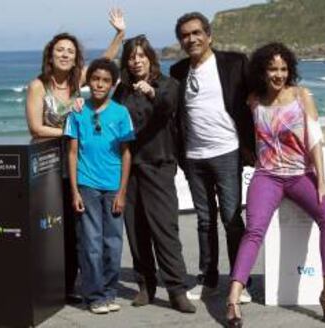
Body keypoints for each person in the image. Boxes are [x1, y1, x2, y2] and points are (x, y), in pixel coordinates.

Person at [226, 42, 325, 328]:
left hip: (300, 175)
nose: (278, 74)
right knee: (253, 230)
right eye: (272, 69)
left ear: (289, 70)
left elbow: (314, 140)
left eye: (283, 69)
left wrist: (323, 183)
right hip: (267, 176)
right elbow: (239, 125)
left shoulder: (302, 96)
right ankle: (232, 299)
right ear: (262, 72)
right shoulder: (254, 100)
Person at [25, 9, 126, 304]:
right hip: (45, 162)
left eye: (70, 51)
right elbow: (35, 127)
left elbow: (104, 63)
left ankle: (74, 283)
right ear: (50, 54)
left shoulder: (74, 81)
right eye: (60, 50)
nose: (65, 54)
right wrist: (72, 132)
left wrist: (119, 33)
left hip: (73, 160)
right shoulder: (38, 86)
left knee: (74, 224)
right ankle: (53, 283)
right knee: (51, 222)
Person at [170, 12, 255, 301]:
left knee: (231, 218)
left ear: (209, 36)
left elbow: (259, 92)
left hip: (227, 152)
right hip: (193, 157)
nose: (191, 39)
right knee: (205, 221)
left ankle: (239, 280)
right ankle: (207, 279)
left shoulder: (234, 63)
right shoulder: (178, 71)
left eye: (196, 33)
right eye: (185, 35)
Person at [113, 35, 196, 313]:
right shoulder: (122, 90)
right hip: (129, 169)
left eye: (141, 56)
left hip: (159, 165)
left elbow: (169, 106)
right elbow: (109, 115)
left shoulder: (168, 84)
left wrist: (151, 92)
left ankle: (176, 289)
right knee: (136, 231)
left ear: (150, 58)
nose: (136, 61)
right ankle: (145, 285)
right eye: (131, 57)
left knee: (165, 230)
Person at [65, 58, 134, 314]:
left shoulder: (120, 112)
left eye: (105, 80)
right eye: (95, 79)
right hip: (87, 186)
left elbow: (127, 154)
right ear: (88, 80)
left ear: (113, 84)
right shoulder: (77, 111)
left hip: (114, 187)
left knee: (113, 243)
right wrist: (74, 191)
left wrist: (123, 191)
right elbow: (72, 153)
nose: (99, 84)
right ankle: (93, 296)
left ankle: (109, 292)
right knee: (91, 243)